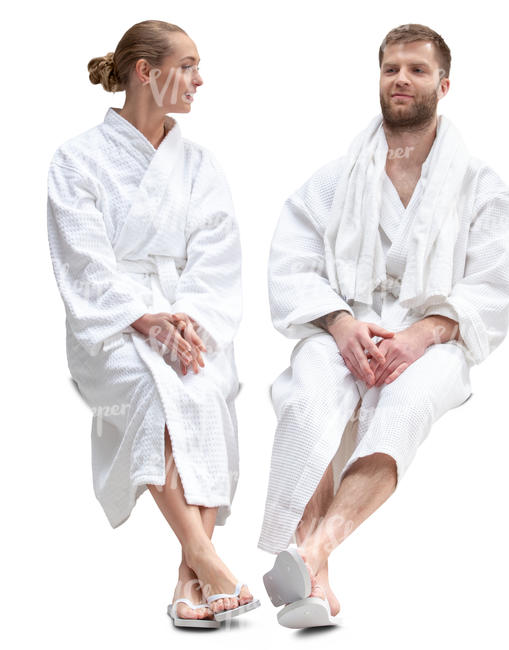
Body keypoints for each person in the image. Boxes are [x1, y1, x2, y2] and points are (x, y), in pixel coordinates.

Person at [259, 23, 509, 628]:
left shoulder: (485, 189)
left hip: (434, 335)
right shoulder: (334, 179)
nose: (401, 79)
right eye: (390, 69)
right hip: (345, 321)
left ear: (443, 85)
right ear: (379, 80)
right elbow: (292, 264)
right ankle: (317, 586)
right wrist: (341, 322)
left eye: (417, 69)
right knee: (308, 398)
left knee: (403, 404)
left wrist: (421, 333)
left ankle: (310, 555)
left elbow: (490, 289)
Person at [47, 19, 259, 627]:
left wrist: (184, 321)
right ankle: (205, 556)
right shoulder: (77, 159)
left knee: (207, 385)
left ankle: (189, 583)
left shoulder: (199, 163)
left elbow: (217, 255)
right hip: (111, 324)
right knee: (153, 388)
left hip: (190, 318)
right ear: (147, 72)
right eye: (187, 66)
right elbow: (82, 260)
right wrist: (146, 320)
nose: (200, 79)